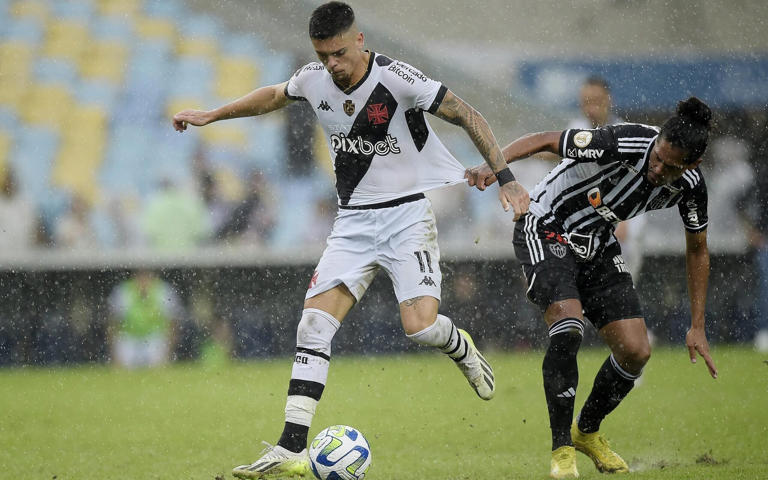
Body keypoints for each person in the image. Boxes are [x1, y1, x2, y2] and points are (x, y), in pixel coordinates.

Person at [172, 2, 530, 478]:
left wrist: (507, 178)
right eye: (323, 56)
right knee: (312, 326)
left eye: (339, 53)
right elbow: (273, 96)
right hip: (353, 224)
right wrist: (213, 115)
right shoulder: (313, 80)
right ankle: (291, 448)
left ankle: (458, 344)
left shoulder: (397, 79)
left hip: (406, 219)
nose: (332, 64)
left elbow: (467, 113)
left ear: (359, 40)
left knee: (420, 328)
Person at [467, 97, 718, 478]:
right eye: (657, 157)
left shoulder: (692, 188)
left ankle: (585, 431)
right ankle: (561, 450)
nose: (657, 168)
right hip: (546, 225)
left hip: (597, 242)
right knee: (569, 328)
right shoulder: (624, 141)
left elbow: (697, 249)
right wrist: (497, 168)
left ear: (692, 164)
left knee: (635, 351)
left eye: (670, 167)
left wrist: (697, 325)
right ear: (657, 142)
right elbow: (546, 139)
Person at [106, 271, 183, 368]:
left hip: (155, 337)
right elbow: (112, 323)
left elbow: (173, 323)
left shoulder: (163, 291)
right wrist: (114, 353)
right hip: (128, 337)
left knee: (158, 367)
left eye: (146, 277)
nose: (143, 282)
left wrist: (169, 351)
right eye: (141, 277)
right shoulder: (124, 292)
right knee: (122, 368)